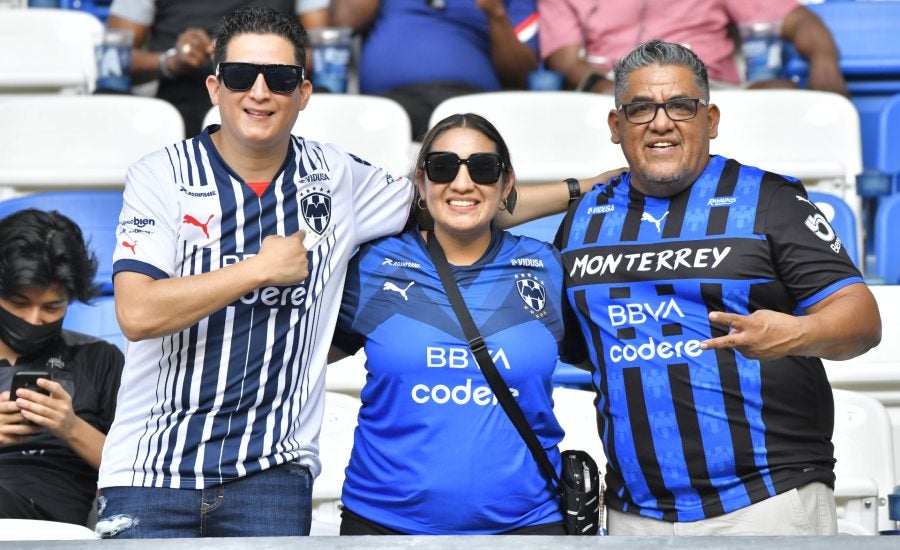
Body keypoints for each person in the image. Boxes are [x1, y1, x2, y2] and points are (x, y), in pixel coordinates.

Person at [95, 6, 610, 539]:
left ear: (305, 92)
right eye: (242, 76)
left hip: (270, 472)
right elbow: (136, 312)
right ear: (214, 86)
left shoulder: (335, 175)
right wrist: (258, 271)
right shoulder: (161, 174)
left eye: (281, 78)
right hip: (150, 469)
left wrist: (581, 189)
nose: (259, 92)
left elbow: (454, 199)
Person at [557, 40, 881, 535]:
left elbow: (862, 320)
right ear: (615, 126)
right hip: (632, 512)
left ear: (710, 120)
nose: (661, 122)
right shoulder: (581, 220)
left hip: (766, 499)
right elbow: (464, 206)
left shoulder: (771, 199)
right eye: (641, 108)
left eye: (681, 106)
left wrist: (793, 334)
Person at [332, 113, 585, 535]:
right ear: (421, 181)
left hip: (526, 527)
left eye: (483, 168)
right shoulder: (373, 265)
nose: (462, 183)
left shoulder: (546, 267)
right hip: (383, 526)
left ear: (506, 184)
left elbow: (611, 361)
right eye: (443, 167)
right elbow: (298, 359)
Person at [0, 209, 124, 527]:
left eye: (52, 307)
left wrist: (69, 427)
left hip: (51, 517)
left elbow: (136, 470)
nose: (33, 319)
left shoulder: (98, 359)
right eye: (18, 302)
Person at [107, 0, 331, 136]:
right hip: (182, 106)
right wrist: (171, 61)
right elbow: (111, 60)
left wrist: (261, 56)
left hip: (274, 96)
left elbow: (325, 52)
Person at [538, 0, 847, 97]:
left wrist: (825, 60)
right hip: (615, 89)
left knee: (782, 95)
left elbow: (798, 20)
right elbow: (565, 59)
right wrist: (612, 88)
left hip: (707, 86)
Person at [329, 0, 539, 140]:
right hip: (389, 102)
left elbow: (521, 73)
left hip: (472, 102)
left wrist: (496, 13)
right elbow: (343, 22)